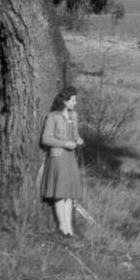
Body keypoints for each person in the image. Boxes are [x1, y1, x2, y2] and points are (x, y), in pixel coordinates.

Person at [40, 86, 84, 238]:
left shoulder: (74, 115)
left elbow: (74, 134)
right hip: (58, 157)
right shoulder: (53, 117)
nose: (75, 103)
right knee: (60, 192)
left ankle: (69, 229)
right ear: (65, 101)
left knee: (68, 194)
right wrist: (65, 143)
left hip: (70, 158)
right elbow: (46, 139)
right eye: (72, 100)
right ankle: (62, 227)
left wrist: (78, 139)